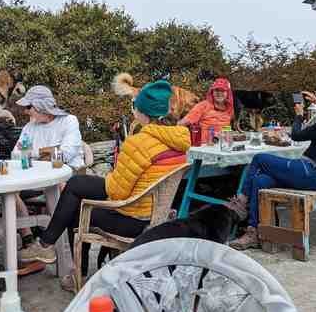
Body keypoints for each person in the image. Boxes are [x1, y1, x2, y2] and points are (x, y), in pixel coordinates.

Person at [19, 80, 190, 289]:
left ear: (142, 112)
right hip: (155, 213)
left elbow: (117, 192)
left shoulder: (140, 143)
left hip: (134, 219)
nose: (133, 109)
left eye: (134, 105)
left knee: (75, 208)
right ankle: (46, 245)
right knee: (77, 184)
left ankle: (73, 272)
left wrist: (112, 177)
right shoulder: (179, 141)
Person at [231, 79, 316, 250]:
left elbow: (297, 135)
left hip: (315, 174)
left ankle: (241, 202)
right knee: (261, 181)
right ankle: (254, 232)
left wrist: (298, 114)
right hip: (314, 173)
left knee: (260, 158)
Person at [10, 85, 85, 264]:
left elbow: (66, 154)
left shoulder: (69, 121)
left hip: (67, 175)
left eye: (29, 107)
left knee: (59, 186)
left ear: (42, 106)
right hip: (35, 175)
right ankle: (29, 240)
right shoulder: (30, 126)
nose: (26, 112)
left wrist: (33, 152)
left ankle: (52, 244)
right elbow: (15, 154)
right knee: (9, 192)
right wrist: (47, 152)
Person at [178, 77, 234, 143]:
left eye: (222, 91)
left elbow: (227, 128)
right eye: (216, 90)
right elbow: (183, 123)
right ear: (212, 92)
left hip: (223, 146)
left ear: (228, 93)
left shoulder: (229, 108)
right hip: (204, 146)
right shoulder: (203, 106)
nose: (219, 93)